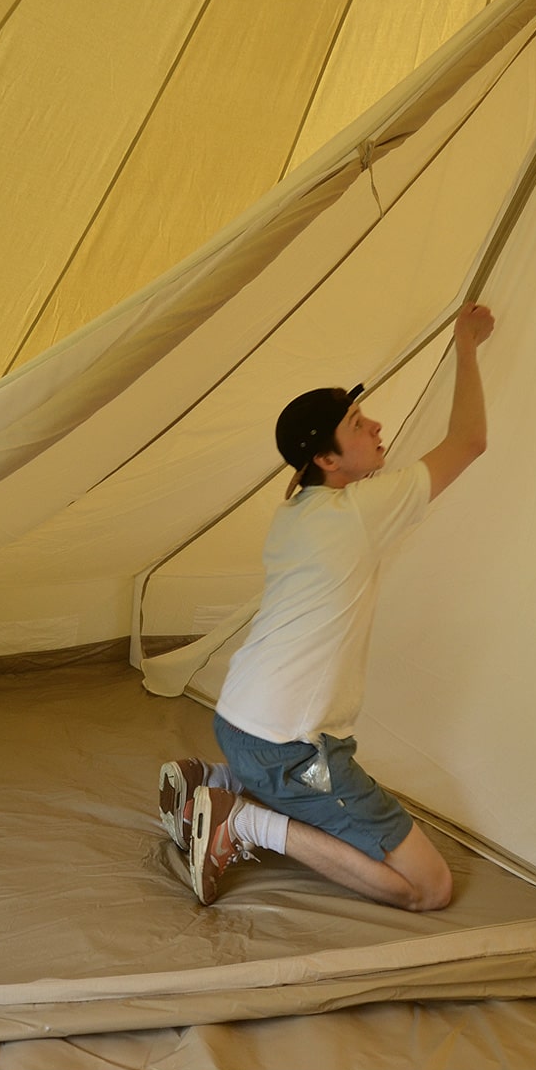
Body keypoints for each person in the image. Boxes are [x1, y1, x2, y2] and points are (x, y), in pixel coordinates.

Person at [158, 301, 495, 909]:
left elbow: (310, 476)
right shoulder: (357, 512)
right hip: (293, 750)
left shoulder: (294, 513)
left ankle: (216, 780)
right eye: (359, 424)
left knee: (290, 776)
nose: (377, 426)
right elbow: (469, 441)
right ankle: (242, 820)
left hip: (238, 722)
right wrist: (467, 345)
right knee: (429, 888)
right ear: (326, 459)